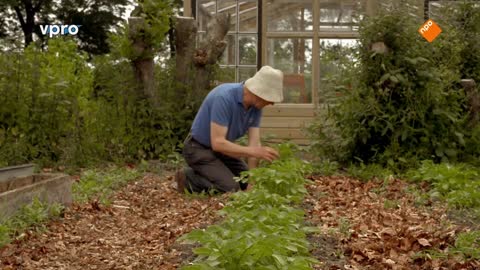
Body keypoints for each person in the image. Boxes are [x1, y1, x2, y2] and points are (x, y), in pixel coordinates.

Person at [175, 65, 284, 193]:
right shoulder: (224, 97)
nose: (272, 103)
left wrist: (252, 182)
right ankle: (187, 178)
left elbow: (254, 144)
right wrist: (255, 151)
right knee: (231, 188)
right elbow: (218, 143)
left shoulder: (256, 108)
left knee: (244, 181)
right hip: (198, 149)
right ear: (259, 93)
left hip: (223, 151)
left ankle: (212, 172)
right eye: (271, 98)